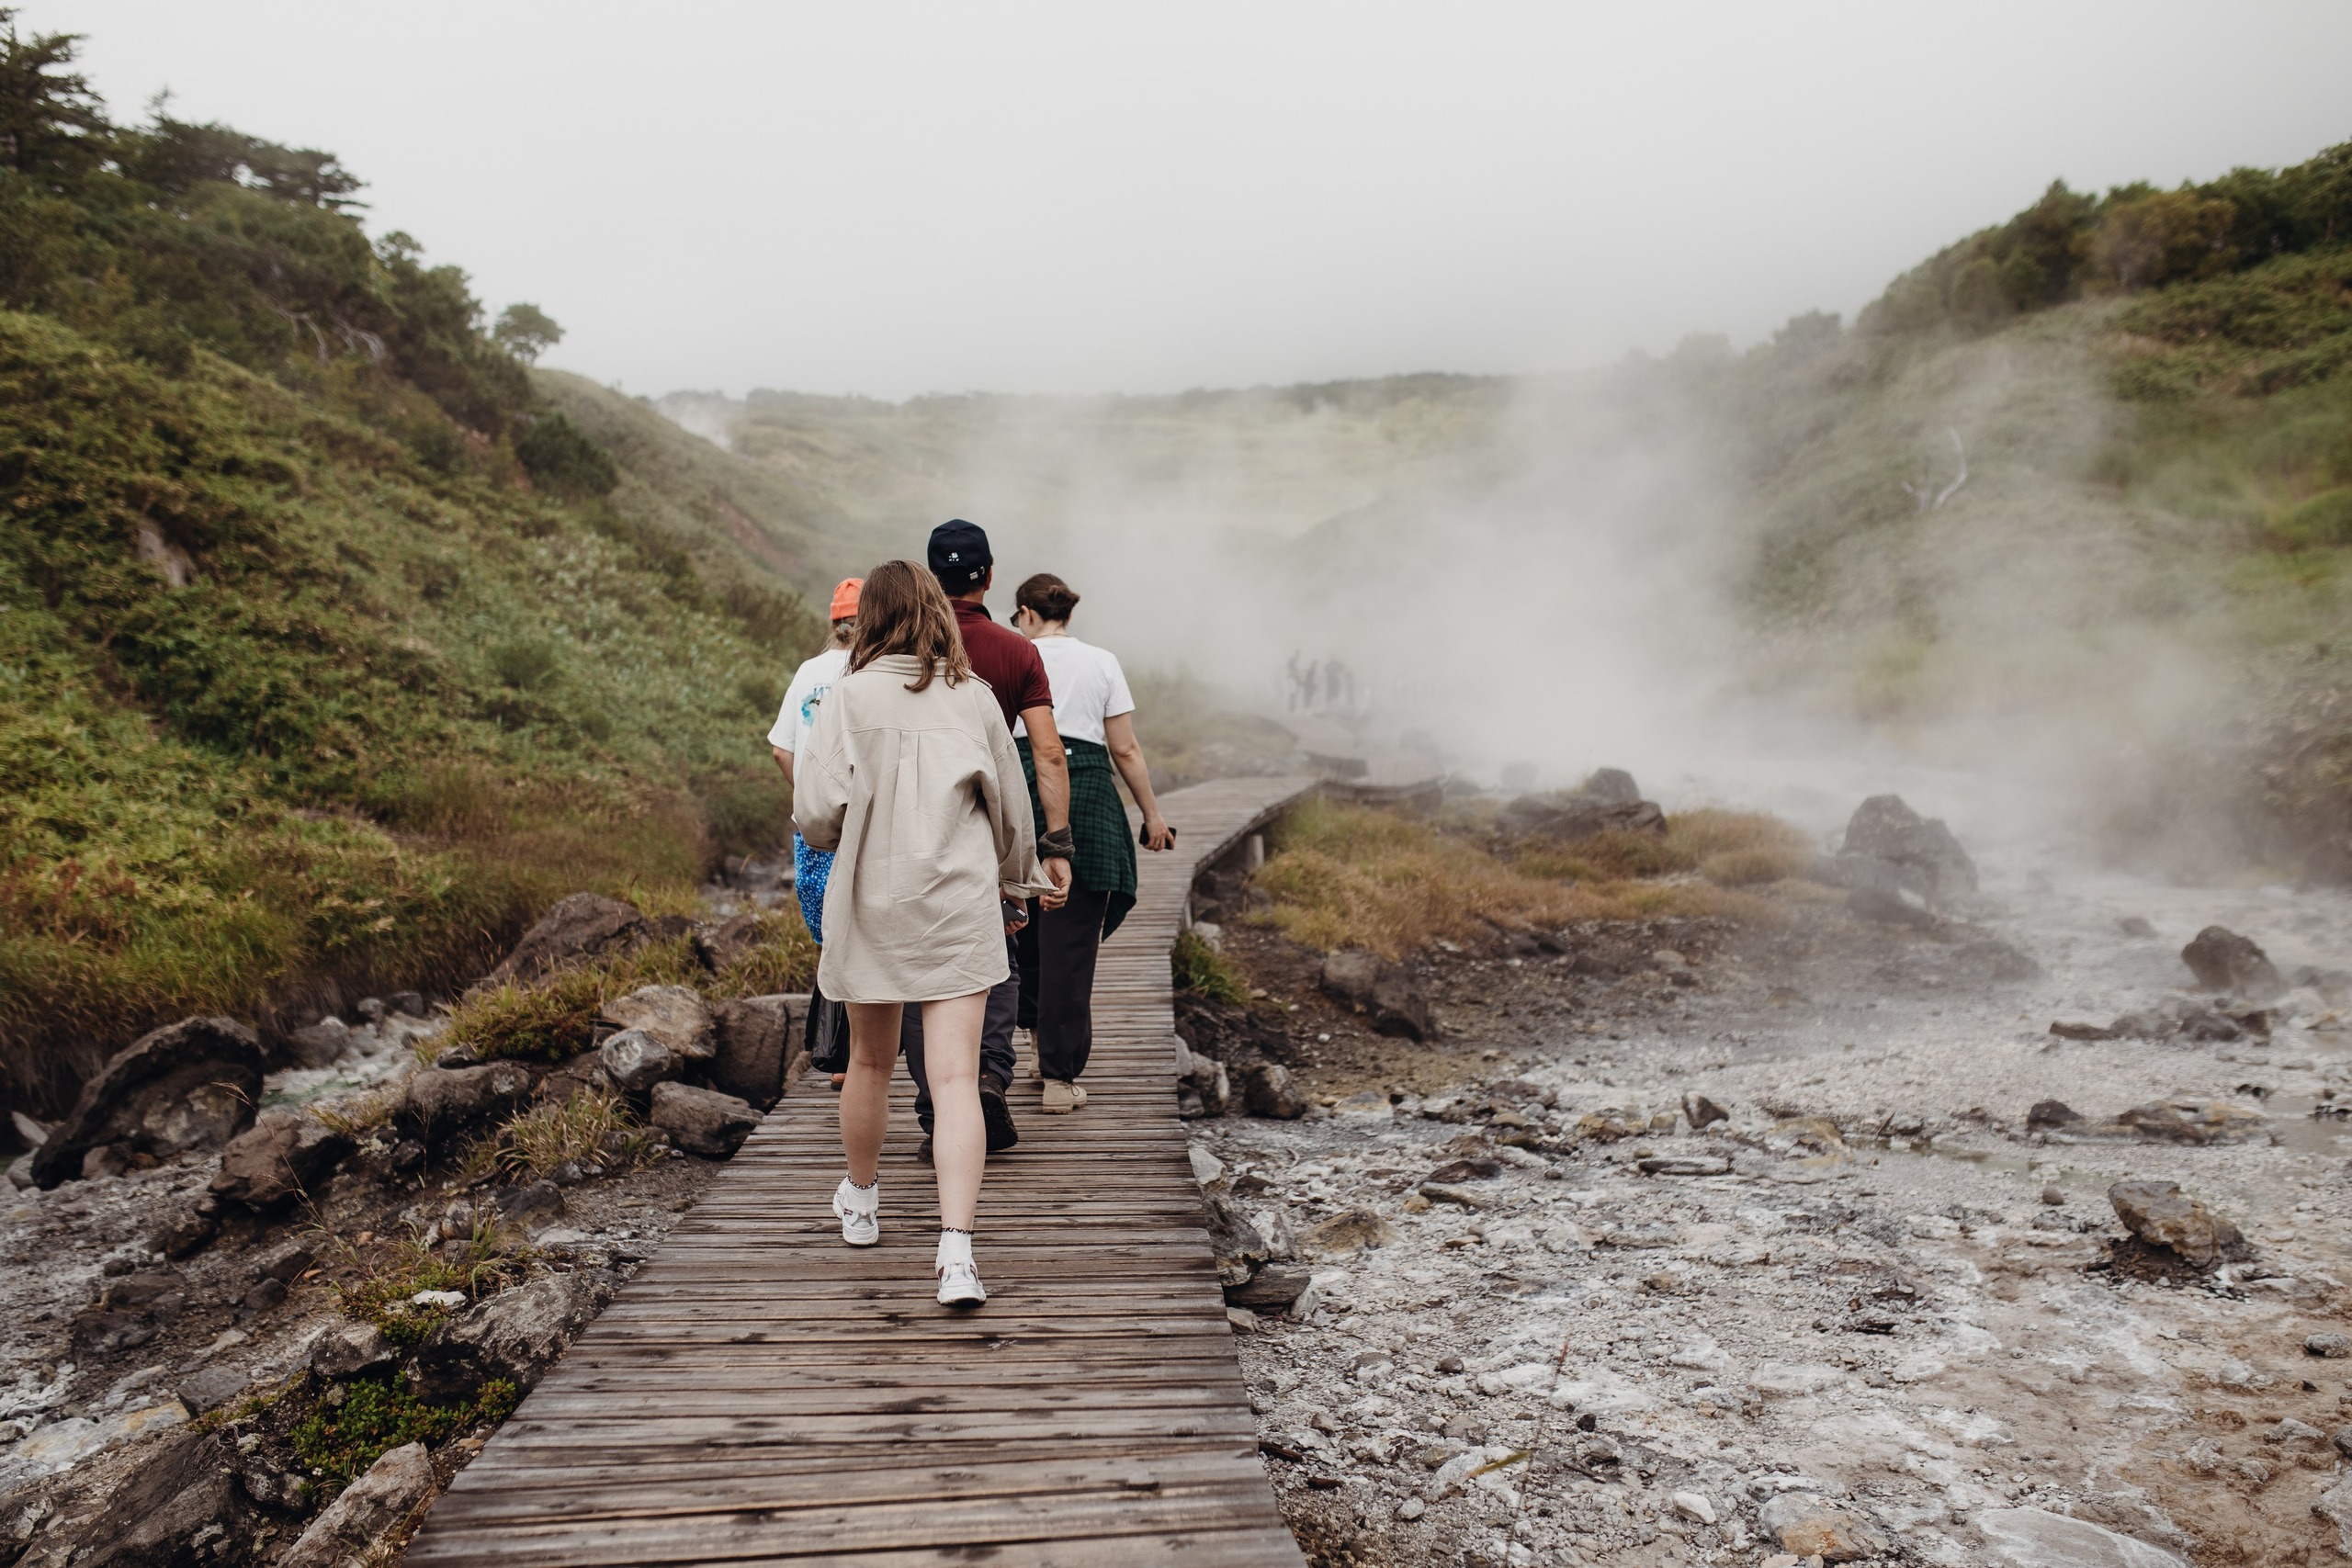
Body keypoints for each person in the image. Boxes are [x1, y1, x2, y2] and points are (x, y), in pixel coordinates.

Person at [791, 560, 1048, 1306]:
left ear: (868, 617)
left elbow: (816, 814)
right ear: (936, 611)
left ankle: (863, 1205)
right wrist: (1019, 879)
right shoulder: (974, 699)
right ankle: (957, 1254)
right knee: (956, 1078)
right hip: (958, 908)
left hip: (874, 900)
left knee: (870, 1063)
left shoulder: (845, 696)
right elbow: (1011, 810)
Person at [896, 520, 1073, 1154]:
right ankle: (987, 1076)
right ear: (990, 577)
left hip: (908, 826)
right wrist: (1056, 846)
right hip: (983, 824)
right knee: (994, 951)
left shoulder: (899, 650)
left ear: (927, 577)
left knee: (923, 969)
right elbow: (1048, 753)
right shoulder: (1014, 650)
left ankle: (936, 1104)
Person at [1009, 571, 1175, 1112]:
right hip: (1088, 796)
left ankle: (1034, 1045)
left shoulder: (1013, 654)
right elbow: (1124, 749)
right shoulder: (1101, 660)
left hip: (1020, 787)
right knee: (1071, 943)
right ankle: (1058, 1077)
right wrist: (1152, 817)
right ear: (1068, 615)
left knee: (1024, 924)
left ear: (1027, 614)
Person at [769, 579, 862, 1087]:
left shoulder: (808, 672)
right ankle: (860, 1055)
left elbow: (782, 750)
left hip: (814, 830)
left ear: (834, 623)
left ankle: (840, 1058)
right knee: (868, 934)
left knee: (830, 938)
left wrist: (808, 797)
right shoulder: (875, 671)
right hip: (865, 826)